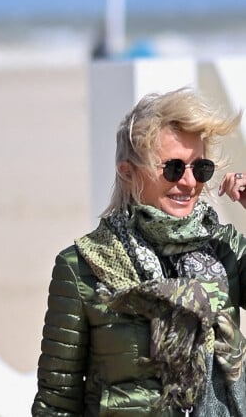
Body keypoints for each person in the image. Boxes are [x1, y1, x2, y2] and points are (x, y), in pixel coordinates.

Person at [32, 87, 246, 416]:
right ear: (127, 171)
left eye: (199, 168)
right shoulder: (82, 266)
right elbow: (57, 401)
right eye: (173, 168)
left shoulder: (225, 248)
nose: (189, 183)